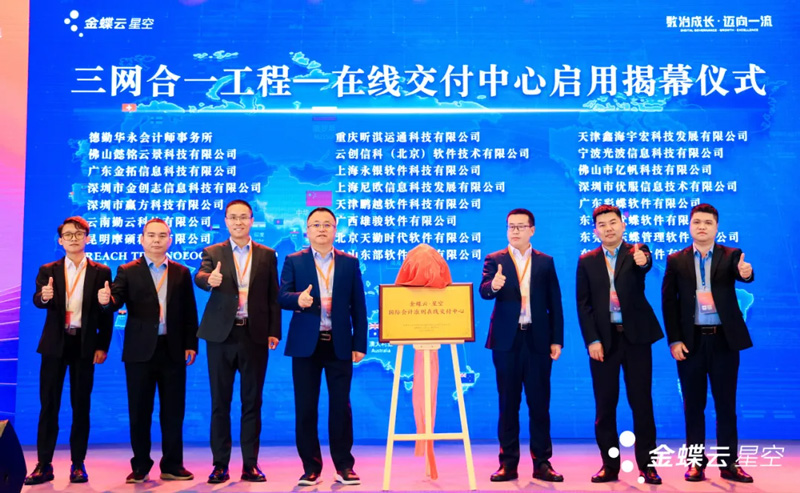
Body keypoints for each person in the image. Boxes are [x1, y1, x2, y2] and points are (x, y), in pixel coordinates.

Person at [98, 218, 198, 483]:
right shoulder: (127, 270)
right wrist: (106, 301)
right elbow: (115, 300)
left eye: (162, 235)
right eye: (151, 235)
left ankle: (172, 465)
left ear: (170, 240)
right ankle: (140, 465)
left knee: (173, 411)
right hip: (139, 351)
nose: (156, 240)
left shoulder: (181, 272)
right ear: (142, 240)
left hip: (173, 348)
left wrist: (191, 343)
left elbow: (189, 311)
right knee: (140, 410)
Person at [662, 203, 755, 483]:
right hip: (691, 343)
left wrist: (746, 273)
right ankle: (695, 463)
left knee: (726, 405)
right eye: (697, 222)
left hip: (724, 341)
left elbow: (743, 275)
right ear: (690, 226)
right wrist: (674, 340)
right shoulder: (676, 260)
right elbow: (669, 303)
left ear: (716, 227)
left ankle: (729, 464)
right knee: (693, 406)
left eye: (708, 223)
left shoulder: (731, 255)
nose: (702, 227)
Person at [278, 207, 367, 486]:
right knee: (306, 408)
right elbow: (282, 296)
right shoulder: (294, 260)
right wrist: (297, 300)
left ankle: (344, 466)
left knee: (341, 407)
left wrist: (359, 343)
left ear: (335, 230)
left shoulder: (349, 263)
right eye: (315, 224)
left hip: (339, 344)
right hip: (306, 345)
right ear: (307, 230)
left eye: (327, 224)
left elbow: (359, 307)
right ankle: (311, 468)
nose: (321, 229)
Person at [195, 199, 281, 484]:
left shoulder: (267, 254)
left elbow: (273, 296)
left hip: (254, 335)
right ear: (226, 221)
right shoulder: (213, 252)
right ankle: (220, 465)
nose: (238, 222)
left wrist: (274, 331)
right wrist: (209, 280)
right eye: (233, 217)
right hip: (221, 336)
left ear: (252, 220)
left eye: (244, 217)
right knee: (220, 401)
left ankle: (250, 465)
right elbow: (200, 275)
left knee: (252, 402)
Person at [576, 205, 662, 485]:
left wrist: (643, 261)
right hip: (604, 341)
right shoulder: (587, 261)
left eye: (613, 222)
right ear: (595, 231)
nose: (608, 228)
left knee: (642, 403)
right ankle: (609, 465)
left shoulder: (636, 251)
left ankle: (648, 466)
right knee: (605, 405)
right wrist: (592, 340)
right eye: (602, 225)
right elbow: (583, 305)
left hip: (636, 339)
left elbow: (645, 264)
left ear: (623, 225)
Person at [25, 217, 113, 485]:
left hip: (84, 344)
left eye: (79, 234)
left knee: (81, 406)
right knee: (48, 405)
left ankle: (78, 464)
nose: (73, 238)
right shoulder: (48, 270)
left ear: (88, 238)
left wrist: (102, 345)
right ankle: (43, 464)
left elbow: (106, 312)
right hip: (55, 344)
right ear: (60, 240)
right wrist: (44, 297)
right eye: (68, 235)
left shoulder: (101, 271)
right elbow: (38, 300)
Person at [479, 208, 564, 483]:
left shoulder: (545, 262)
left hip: (538, 340)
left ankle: (542, 463)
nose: (514, 231)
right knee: (508, 404)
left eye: (520, 226)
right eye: (510, 226)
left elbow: (555, 303)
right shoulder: (495, 259)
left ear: (532, 230)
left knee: (539, 404)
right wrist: (494, 285)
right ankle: (508, 464)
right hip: (507, 342)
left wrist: (557, 339)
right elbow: (483, 292)